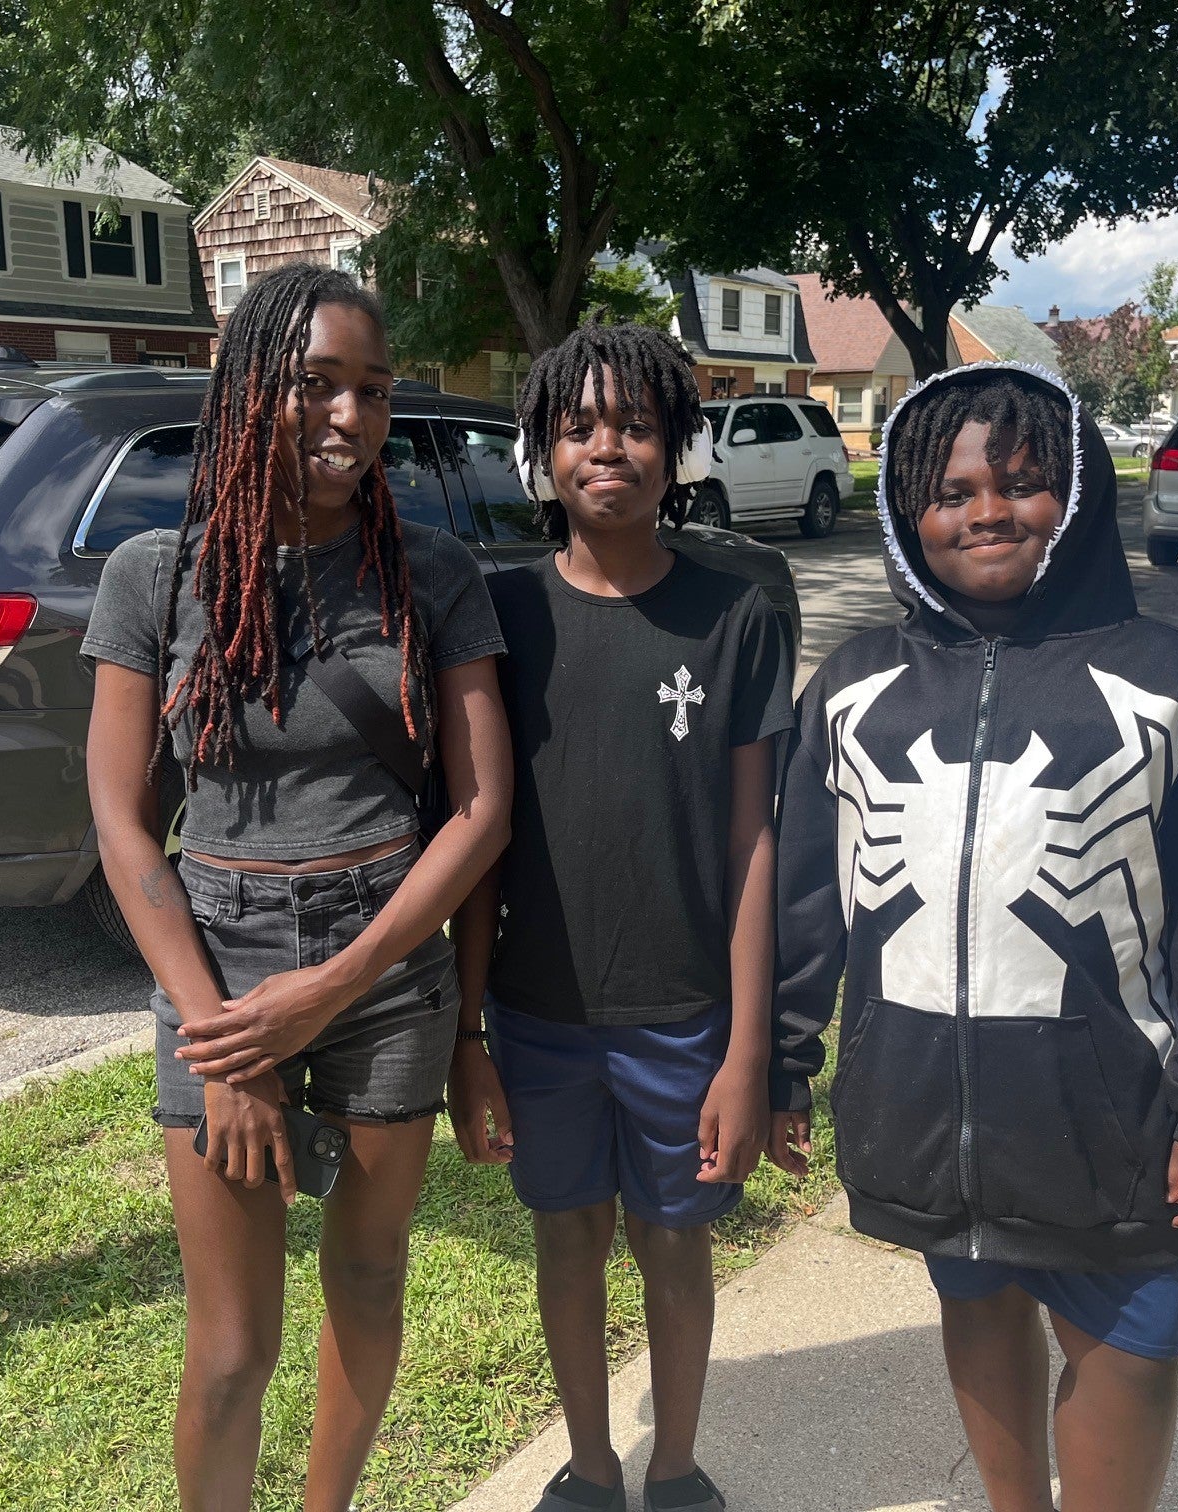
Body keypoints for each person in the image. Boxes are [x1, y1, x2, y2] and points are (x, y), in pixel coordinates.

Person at [770, 363, 1178, 1512]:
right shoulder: (854, 687)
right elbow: (810, 896)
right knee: (976, 1302)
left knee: (1131, 1343)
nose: (987, 511)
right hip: (923, 1105)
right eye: (951, 491)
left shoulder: (1172, 681)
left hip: (1110, 1115)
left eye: (1022, 481)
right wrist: (783, 1060)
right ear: (910, 511)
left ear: (1081, 490)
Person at [81, 263, 513, 1512]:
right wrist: (229, 1042)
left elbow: (481, 809)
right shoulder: (154, 576)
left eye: (372, 392)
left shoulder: (430, 572)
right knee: (230, 1349)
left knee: (370, 1284)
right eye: (315, 384)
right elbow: (121, 818)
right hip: (216, 968)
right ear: (247, 382)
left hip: (384, 965)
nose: (349, 417)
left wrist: (335, 984)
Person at [447, 322, 792, 1512]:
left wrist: (751, 1050)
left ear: (676, 447)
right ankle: (591, 1464)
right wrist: (468, 1034)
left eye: (637, 424)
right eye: (580, 425)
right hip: (538, 1013)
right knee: (566, 1240)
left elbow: (755, 841)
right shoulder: (499, 619)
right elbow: (478, 843)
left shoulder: (737, 614)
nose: (609, 446)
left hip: (684, 1012)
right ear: (543, 449)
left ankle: (676, 1464)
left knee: (674, 1243)